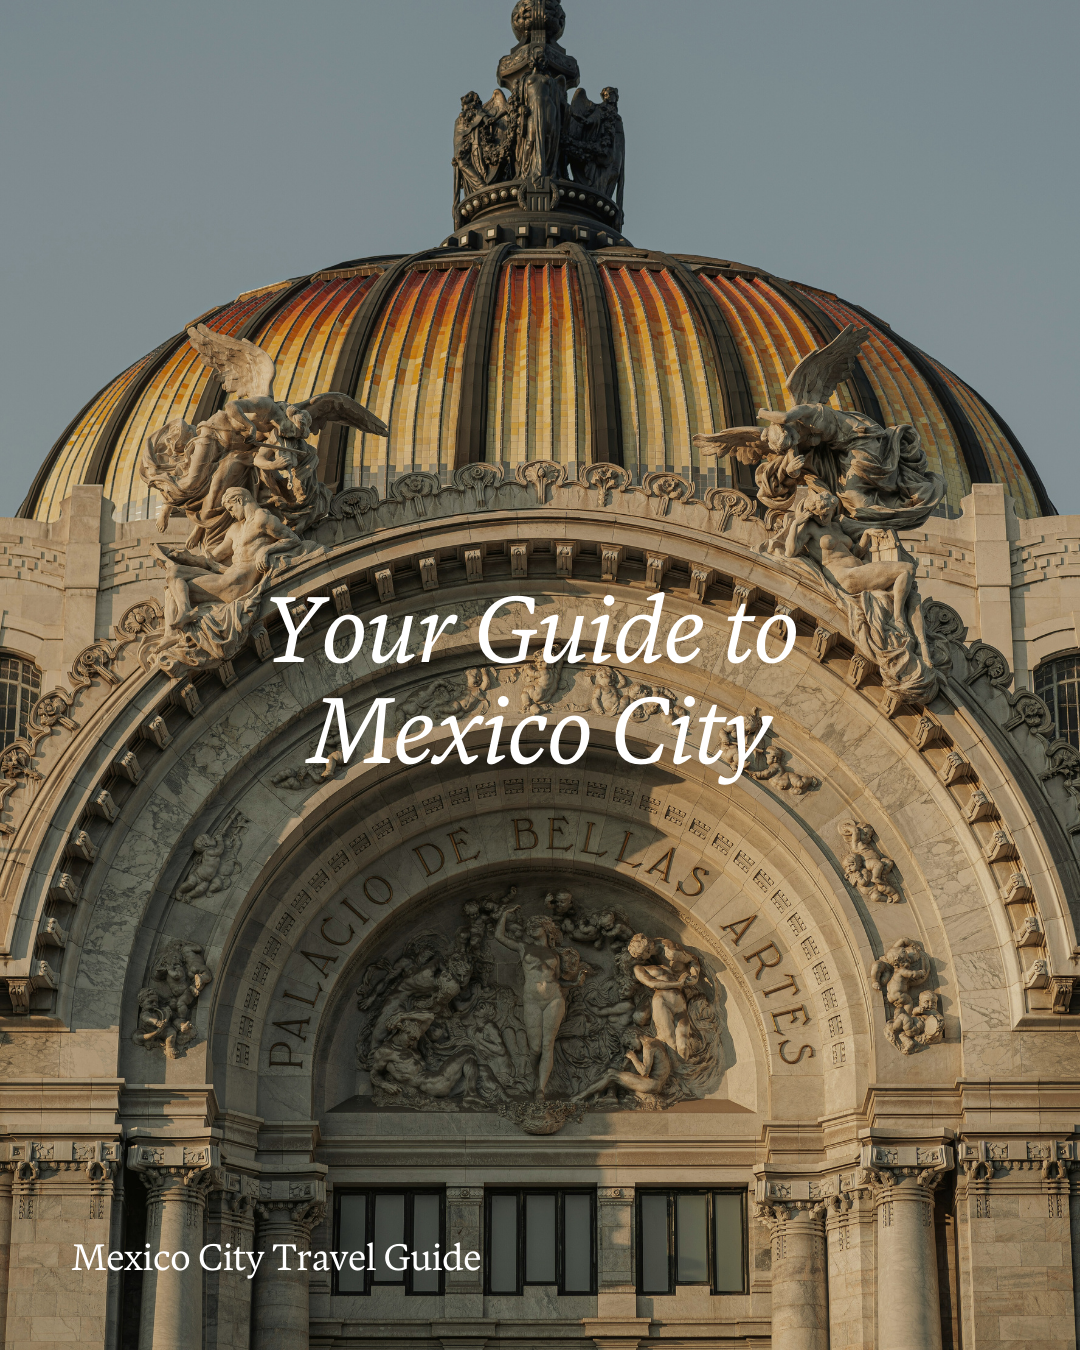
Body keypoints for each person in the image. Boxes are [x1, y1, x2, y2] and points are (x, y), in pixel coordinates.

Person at [780, 489, 916, 625]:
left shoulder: (836, 526)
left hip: (858, 569)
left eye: (825, 514)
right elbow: (790, 552)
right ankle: (898, 620)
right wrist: (795, 524)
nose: (822, 518)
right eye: (817, 515)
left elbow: (855, 553)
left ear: (832, 508)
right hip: (844, 576)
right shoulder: (810, 528)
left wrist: (866, 535)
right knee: (906, 569)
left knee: (912, 593)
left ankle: (899, 619)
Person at [493, 906, 586, 1093]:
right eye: (529, 926)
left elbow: (557, 979)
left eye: (536, 925)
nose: (531, 929)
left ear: (546, 929)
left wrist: (575, 983)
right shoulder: (523, 947)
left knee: (547, 1044)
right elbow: (499, 937)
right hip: (533, 1000)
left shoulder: (555, 954)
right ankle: (535, 1078)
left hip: (554, 998)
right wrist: (504, 915)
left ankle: (541, 1090)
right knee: (535, 1047)